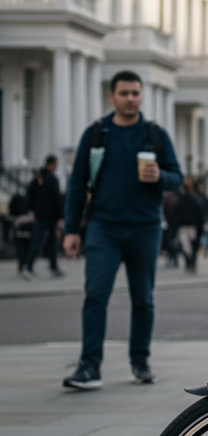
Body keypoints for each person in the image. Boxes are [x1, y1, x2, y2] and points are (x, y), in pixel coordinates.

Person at [62, 71, 182, 390]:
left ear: (141, 97)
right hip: (104, 228)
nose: (130, 98)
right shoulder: (97, 134)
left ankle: (140, 361)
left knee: (143, 299)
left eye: (135, 93)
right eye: (124, 93)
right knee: (96, 296)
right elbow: (77, 183)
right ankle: (89, 367)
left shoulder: (155, 135)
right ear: (112, 97)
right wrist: (71, 230)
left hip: (145, 228)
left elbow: (177, 178)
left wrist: (161, 176)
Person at [23, 155, 64, 279]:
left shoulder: (38, 178)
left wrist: (31, 210)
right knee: (47, 242)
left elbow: (29, 194)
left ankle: (50, 267)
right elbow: (57, 198)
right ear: (51, 164)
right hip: (50, 216)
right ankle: (32, 267)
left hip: (40, 215)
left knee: (40, 241)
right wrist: (61, 215)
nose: (56, 167)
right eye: (55, 165)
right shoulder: (52, 179)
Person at [173, 177, 206, 273]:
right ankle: (191, 261)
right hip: (189, 226)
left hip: (187, 226)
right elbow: (200, 213)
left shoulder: (184, 199)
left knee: (187, 246)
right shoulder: (194, 199)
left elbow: (177, 213)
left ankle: (190, 261)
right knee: (190, 246)